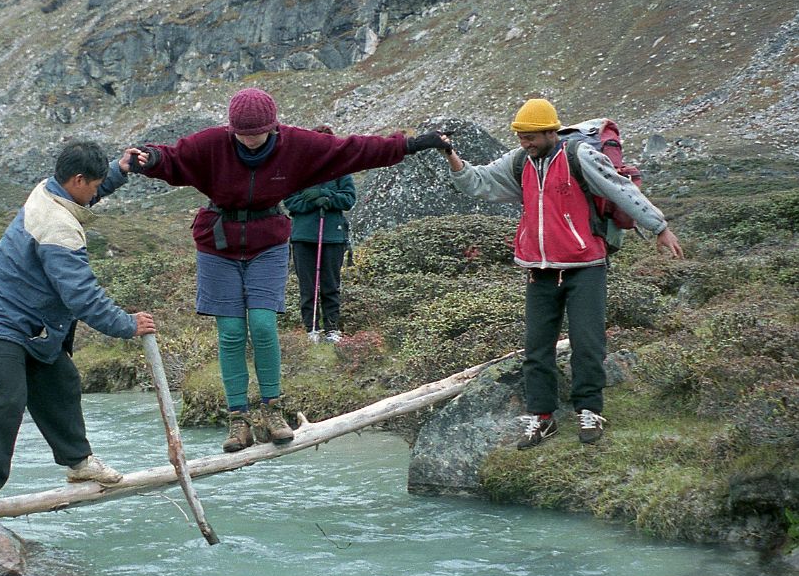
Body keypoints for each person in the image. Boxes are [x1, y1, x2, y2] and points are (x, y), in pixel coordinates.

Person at [121, 88, 451, 453]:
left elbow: (356, 150)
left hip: (268, 243)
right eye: (241, 135)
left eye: (256, 134)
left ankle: (272, 411)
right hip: (217, 245)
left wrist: (412, 144)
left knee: (262, 324)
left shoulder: (297, 145)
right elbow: (172, 158)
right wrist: (149, 158)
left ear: (273, 127)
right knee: (230, 332)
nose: (248, 142)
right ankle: (238, 419)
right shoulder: (214, 143)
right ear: (231, 130)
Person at [439, 98, 684, 449]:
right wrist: (451, 157)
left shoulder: (580, 156)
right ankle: (541, 417)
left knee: (588, 342)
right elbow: (478, 182)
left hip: (585, 266)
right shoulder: (519, 161)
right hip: (538, 269)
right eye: (521, 136)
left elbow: (621, 189)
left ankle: (590, 410)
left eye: (531, 137)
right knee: (536, 348)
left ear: (551, 131)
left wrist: (659, 227)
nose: (525, 143)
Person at [0, 140, 156, 505]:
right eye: (94, 185)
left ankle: (78, 462)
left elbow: (86, 193)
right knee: (7, 401)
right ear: (78, 180)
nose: (96, 192)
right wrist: (126, 324)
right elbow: (81, 296)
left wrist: (119, 170)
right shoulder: (57, 228)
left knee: (62, 383)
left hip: (37, 325)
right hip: (3, 322)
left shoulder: (50, 189)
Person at [284, 126, 356, 343]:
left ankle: (332, 329)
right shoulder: (297, 170)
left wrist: (325, 195)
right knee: (307, 285)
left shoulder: (342, 169)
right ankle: (311, 329)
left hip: (332, 236)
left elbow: (349, 199)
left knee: (330, 284)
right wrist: (313, 202)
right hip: (303, 237)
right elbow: (290, 202)